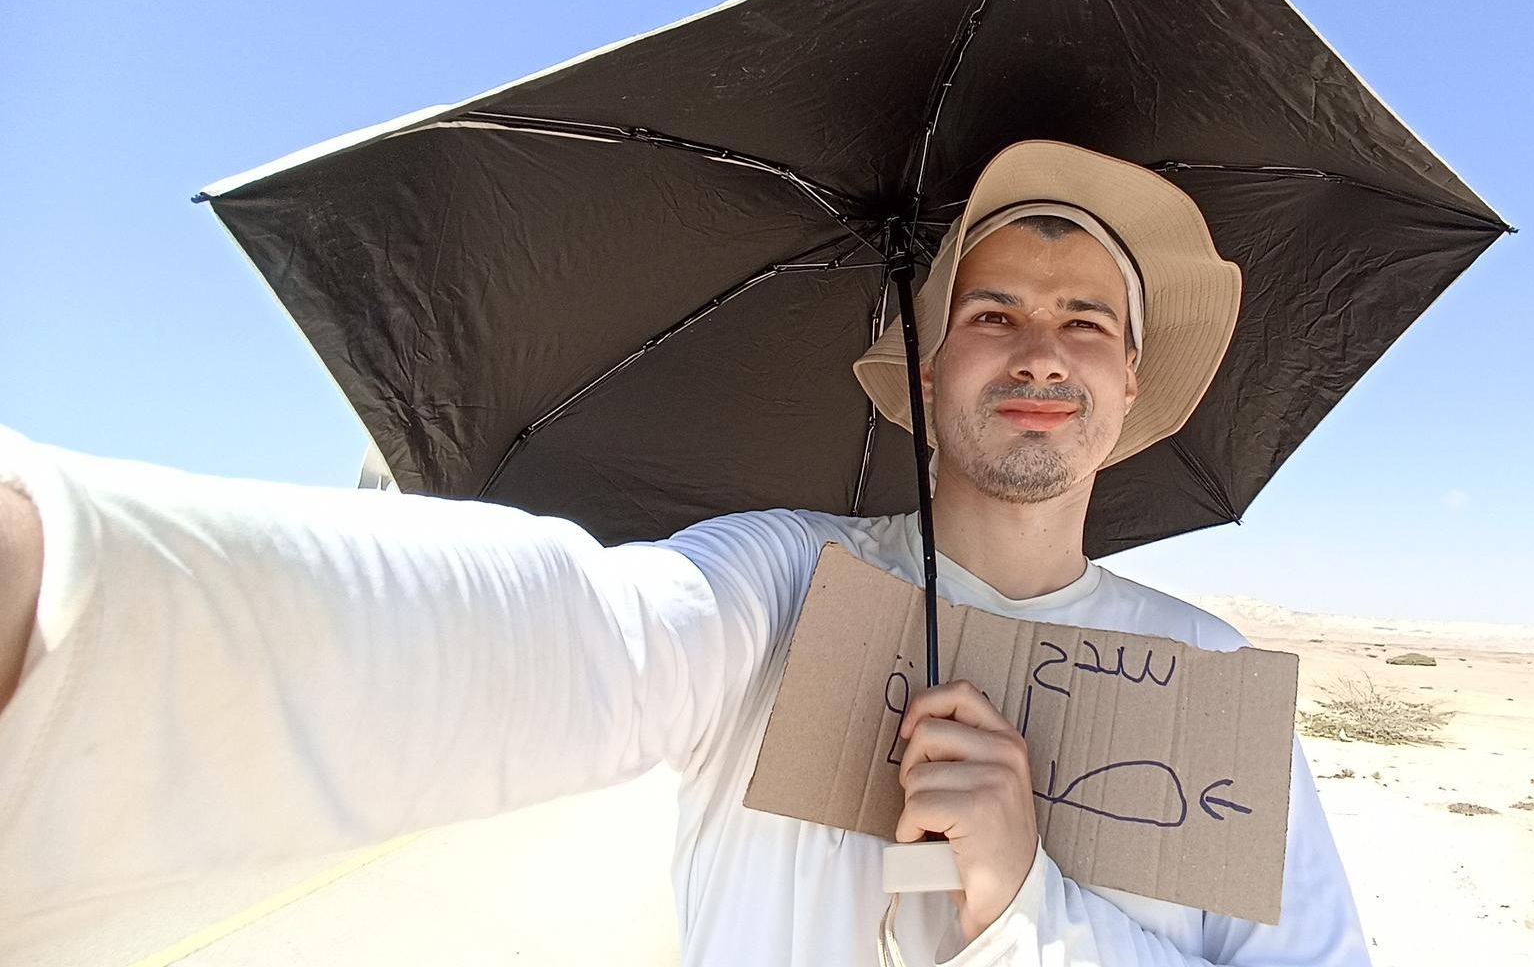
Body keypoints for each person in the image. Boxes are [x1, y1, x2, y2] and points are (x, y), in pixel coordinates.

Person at [0, 140, 1370, 964]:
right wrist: (73, 580)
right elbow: (576, 638)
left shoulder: (1208, 677)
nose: (1039, 350)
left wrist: (1021, 903)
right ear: (923, 362)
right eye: (993, 309)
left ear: (1130, 387)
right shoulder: (784, 582)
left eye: (1087, 323)